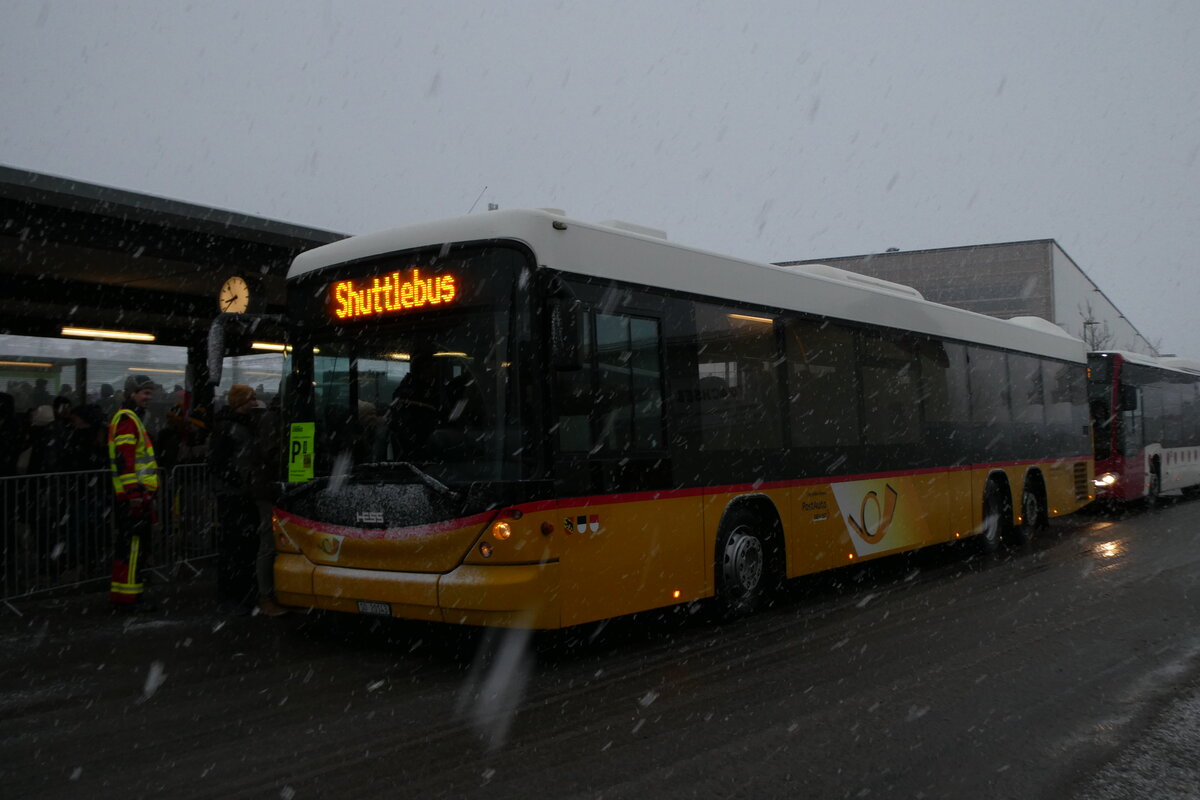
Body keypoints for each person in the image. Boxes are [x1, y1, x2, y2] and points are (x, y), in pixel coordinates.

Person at [209, 384, 285, 615]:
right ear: (240, 401)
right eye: (251, 399)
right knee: (234, 547)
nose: (255, 402)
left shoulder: (243, 424)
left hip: (243, 493)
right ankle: (231, 598)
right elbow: (218, 463)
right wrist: (238, 481)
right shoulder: (228, 427)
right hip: (233, 495)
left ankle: (241, 596)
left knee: (244, 546)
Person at [107, 374, 159, 609]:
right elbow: (124, 461)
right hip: (134, 498)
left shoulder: (128, 418)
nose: (149, 397)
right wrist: (134, 495)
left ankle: (124, 595)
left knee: (128, 548)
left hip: (132, 497)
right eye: (145, 393)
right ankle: (129, 599)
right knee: (134, 548)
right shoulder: (128, 419)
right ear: (132, 394)